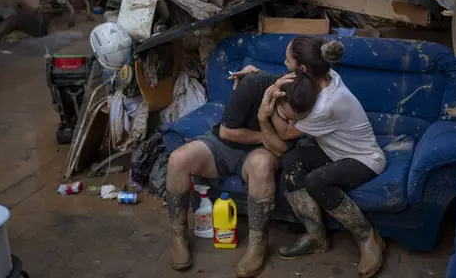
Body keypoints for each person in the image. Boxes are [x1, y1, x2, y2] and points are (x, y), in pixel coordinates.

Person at [230, 36, 387, 278]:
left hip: (363, 158)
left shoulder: (327, 104)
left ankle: (368, 237)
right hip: (333, 151)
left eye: (287, 59)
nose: (283, 62)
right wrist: (255, 78)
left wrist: (266, 108)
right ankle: (316, 236)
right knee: (292, 163)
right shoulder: (324, 75)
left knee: (316, 181)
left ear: (301, 68)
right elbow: (288, 86)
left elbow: (283, 136)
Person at [166, 70, 317, 278]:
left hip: (258, 154)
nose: (290, 126)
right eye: (286, 117)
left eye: (296, 121)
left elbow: (281, 149)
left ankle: (257, 244)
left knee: (262, 164)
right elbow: (228, 133)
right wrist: (267, 135)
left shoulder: (308, 105)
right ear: (275, 96)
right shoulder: (254, 84)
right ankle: (178, 234)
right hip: (221, 144)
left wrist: (265, 121)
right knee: (178, 160)